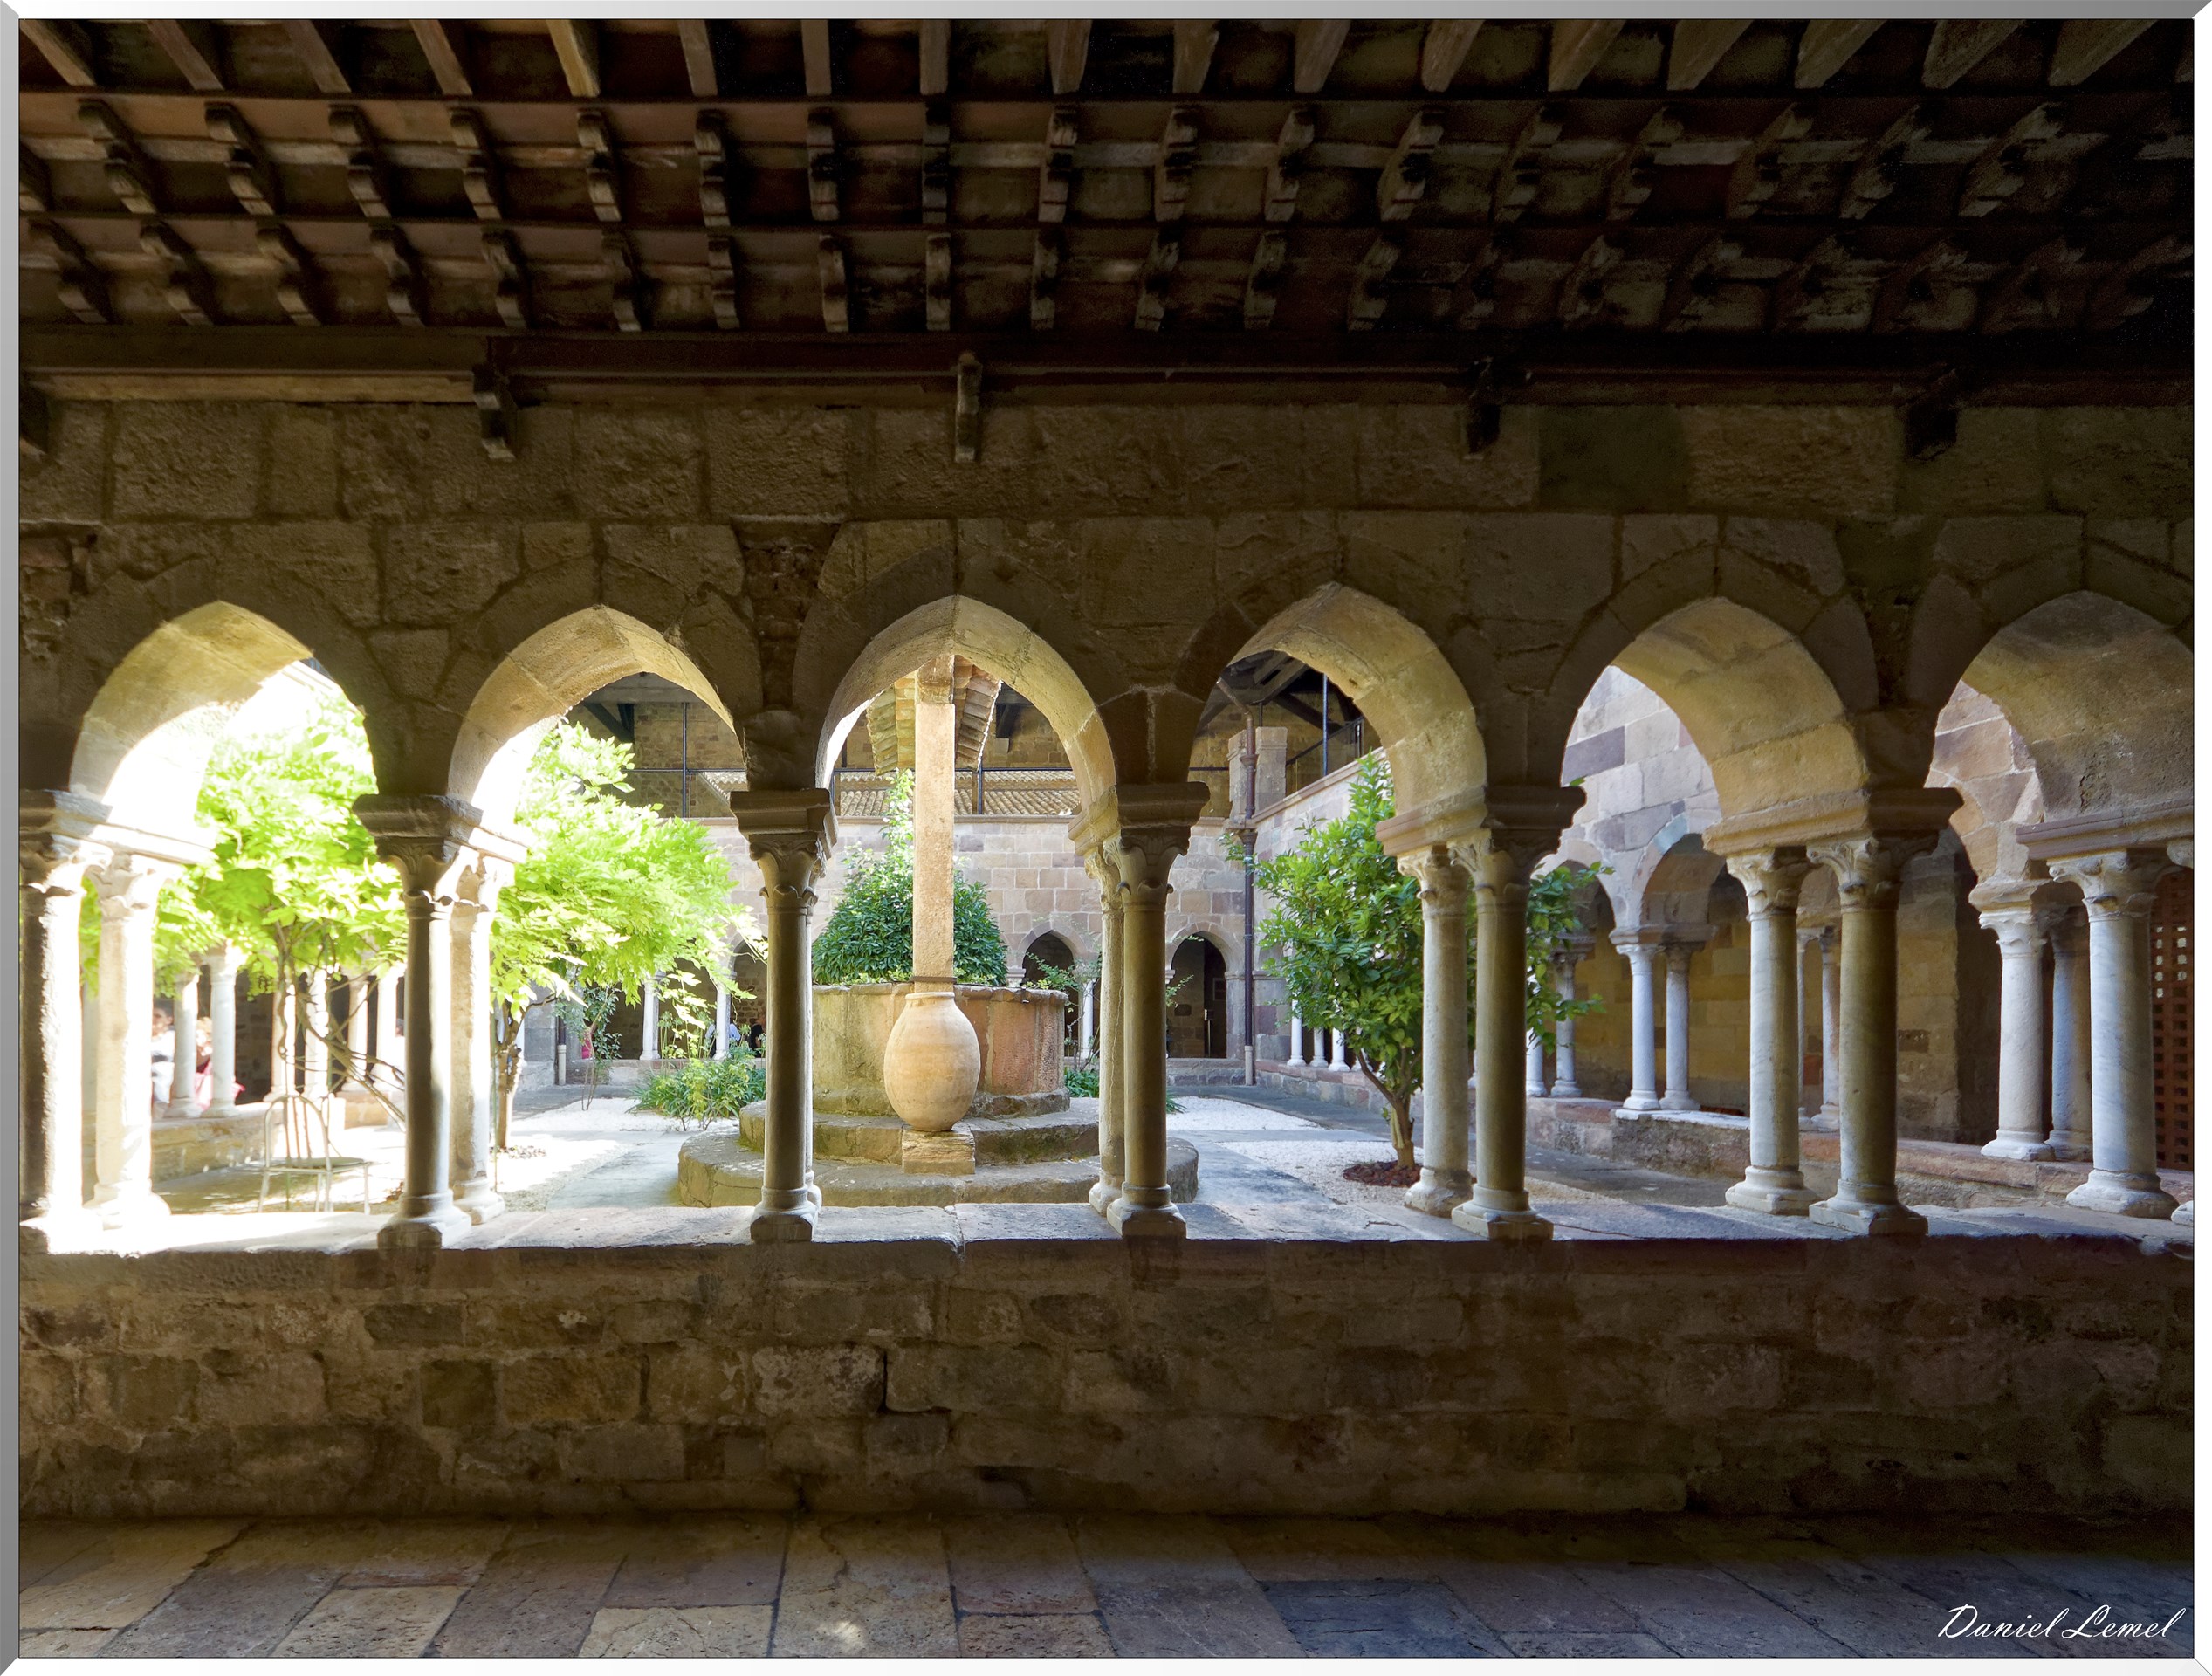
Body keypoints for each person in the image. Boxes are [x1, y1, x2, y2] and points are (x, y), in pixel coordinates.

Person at [149, 1000, 175, 1114]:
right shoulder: (138, 1035)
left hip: (164, 1088)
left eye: (158, 1016)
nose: (153, 1019)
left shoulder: (173, 1037)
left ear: (169, 1020)